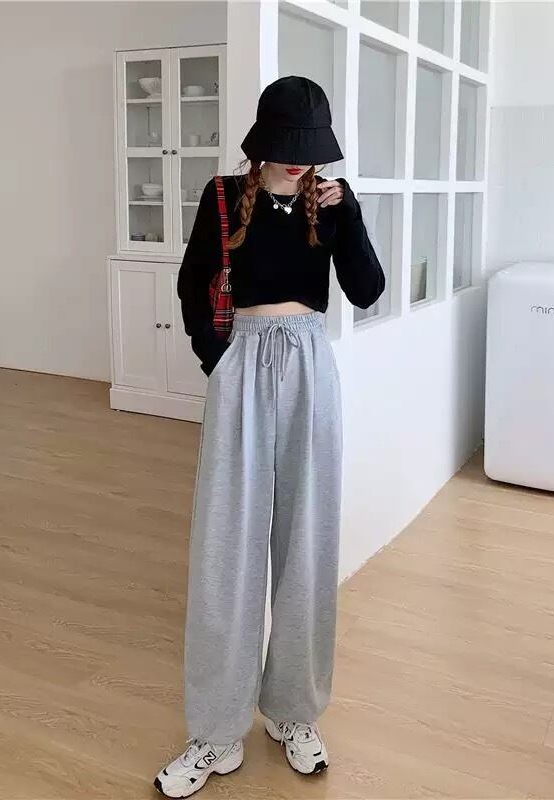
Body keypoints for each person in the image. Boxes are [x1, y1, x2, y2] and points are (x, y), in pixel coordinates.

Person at [154, 75, 385, 798]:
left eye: (308, 149)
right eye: (287, 146)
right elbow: (193, 284)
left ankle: (294, 712)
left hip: (311, 366)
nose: (297, 160)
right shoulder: (223, 196)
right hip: (242, 363)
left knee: (307, 543)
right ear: (262, 142)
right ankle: (216, 730)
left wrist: (349, 217)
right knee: (227, 546)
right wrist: (217, 360)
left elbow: (367, 290)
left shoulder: (332, 204)